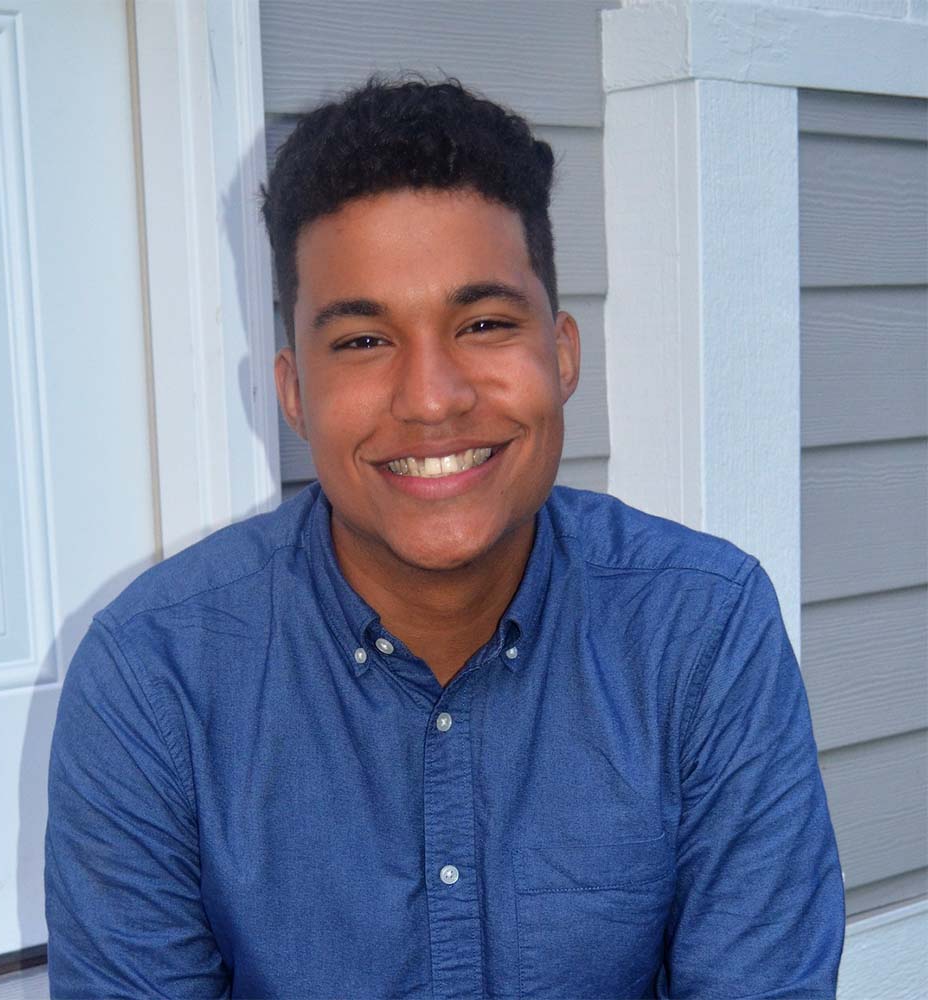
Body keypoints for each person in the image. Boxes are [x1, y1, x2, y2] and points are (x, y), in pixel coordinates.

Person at [45, 78, 845, 998]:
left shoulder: (701, 632)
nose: (432, 397)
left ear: (564, 353)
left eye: (484, 324)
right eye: (361, 341)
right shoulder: (155, 681)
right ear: (293, 390)